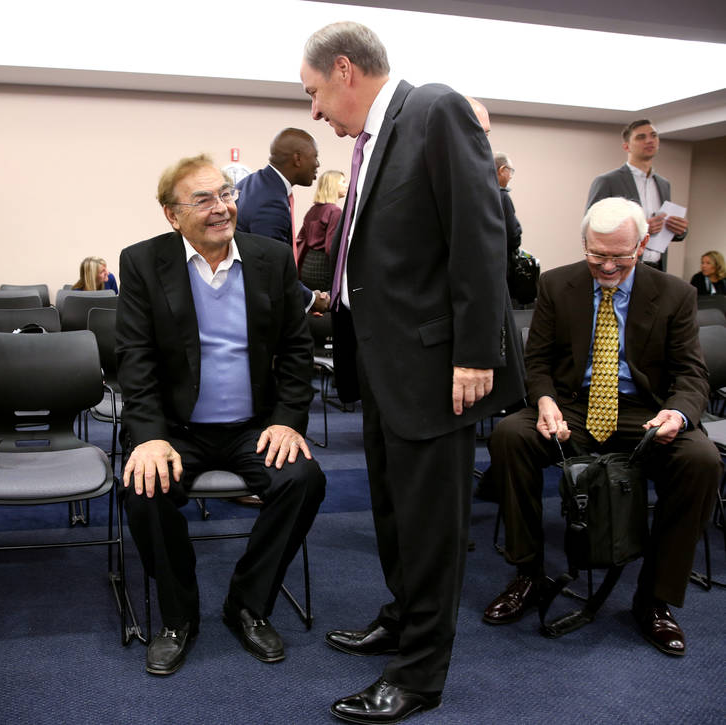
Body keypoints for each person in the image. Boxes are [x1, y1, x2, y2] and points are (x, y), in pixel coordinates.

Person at [300, 21, 524, 724]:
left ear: (344, 71)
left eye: (312, 93)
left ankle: (420, 674)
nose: (313, 111)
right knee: (395, 515)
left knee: (431, 526)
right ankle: (402, 618)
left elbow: (479, 232)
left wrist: (476, 351)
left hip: (438, 367)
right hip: (384, 367)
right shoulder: (374, 139)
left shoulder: (435, 108)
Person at [116, 154, 326, 677]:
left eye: (226, 195)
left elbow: (297, 352)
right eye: (203, 199)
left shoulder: (272, 258)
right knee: (145, 489)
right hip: (175, 429)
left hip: (252, 427)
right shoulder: (143, 262)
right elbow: (135, 360)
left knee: (303, 479)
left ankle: (247, 605)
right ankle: (178, 619)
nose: (221, 208)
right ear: (172, 215)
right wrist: (148, 436)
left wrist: (286, 421)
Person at [482, 197, 719, 656]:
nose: (607, 266)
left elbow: (692, 374)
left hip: (642, 410)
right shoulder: (557, 284)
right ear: (584, 243)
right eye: (597, 254)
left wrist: (679, 413)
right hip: (572, 405)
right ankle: (528, 575)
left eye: (619, 256)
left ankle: (654, 599)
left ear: (643, 245)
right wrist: (545, 399)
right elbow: (539, 361)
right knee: (510, 436)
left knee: (701, 460)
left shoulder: (675, 294)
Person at [236, 128, 330, 313]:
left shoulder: (253, 183)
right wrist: (311, 300)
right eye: (315, 157)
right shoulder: (270, 202)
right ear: (298, 159)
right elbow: (271, 269)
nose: (317, 164)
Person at [586, 119, 688, 271]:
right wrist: (640, 229)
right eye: (641, 137)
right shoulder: (608, 181)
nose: (649, 140)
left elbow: (663, 231)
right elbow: (590, 227)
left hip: (657, 267)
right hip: (620, 267)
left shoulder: (663, 184)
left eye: (653, 135)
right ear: (626, 146)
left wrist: (680, 230)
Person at [296, 170, 346, 292]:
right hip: (323, 267)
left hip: (308, 265)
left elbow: (301, 238)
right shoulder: (335, 211)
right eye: (343, 182)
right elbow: (331, 247)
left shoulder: (313, 209)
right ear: (333, 185)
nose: (346, 185)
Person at [495, 151, 522, 259]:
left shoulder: (480, 193)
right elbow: (512, 236)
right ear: (501, 170)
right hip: (501, 260)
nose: (510, 177)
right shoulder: (502, 196)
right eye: (510, 171)